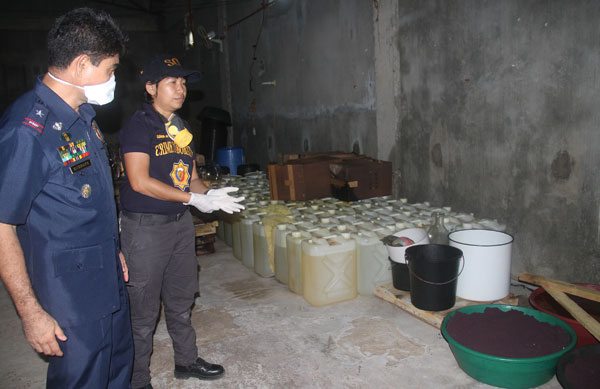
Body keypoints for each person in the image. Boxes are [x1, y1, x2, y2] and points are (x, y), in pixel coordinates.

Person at [0, 8, 133, 388]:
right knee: (83, 378)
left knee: (117, 371)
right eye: (109, 70)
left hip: (107, 278)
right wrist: (30, 312)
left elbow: (85, 199)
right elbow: (2, 225)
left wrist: (114, 248)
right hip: (70, 300)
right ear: (80, 65)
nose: (113, 79)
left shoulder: (82, 117)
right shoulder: (27, 131)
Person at [119, 54, 244, 389]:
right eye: (172, 82)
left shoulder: (181, 128)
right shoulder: (138, 126)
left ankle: (186, 361)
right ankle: (138, 380)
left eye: (184, 83)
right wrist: (194, 199)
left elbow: (190, 180)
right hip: (145, 229)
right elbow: (139, 181)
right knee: (143, 314)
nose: (181, 89)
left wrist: (212, 194)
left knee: (180, 299)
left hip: (178, 225)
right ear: (150, 87)